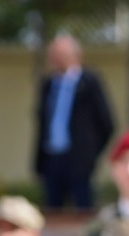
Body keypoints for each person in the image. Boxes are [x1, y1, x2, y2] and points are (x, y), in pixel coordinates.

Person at [33, 33, 116, 210]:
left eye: (60, 55)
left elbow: (107, 123)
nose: (55, 60)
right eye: (53, 55)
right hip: (52, 159)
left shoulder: (89, 82)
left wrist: (89, 155)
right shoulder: (48, 85)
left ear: (75, 56)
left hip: (78, 160)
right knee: (53, 210)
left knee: (82, 209)